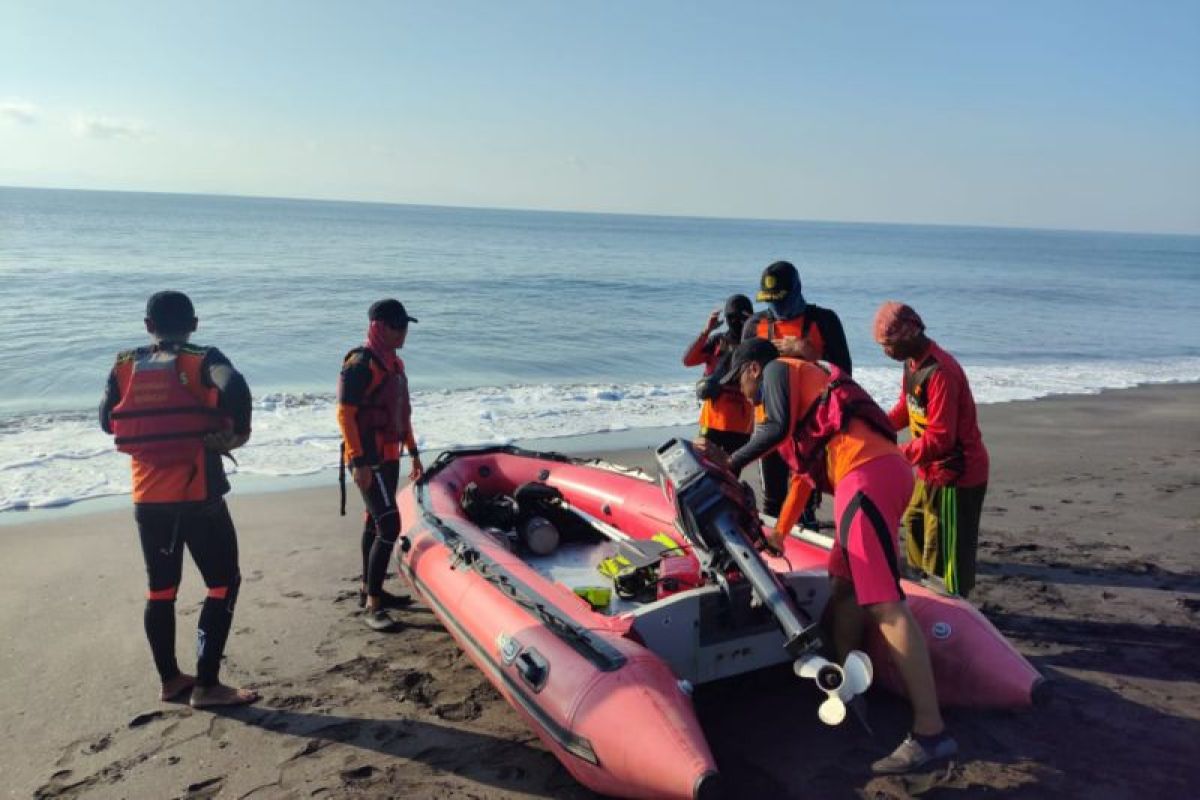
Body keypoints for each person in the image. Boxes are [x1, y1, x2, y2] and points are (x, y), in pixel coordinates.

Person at [701, 338, 958, 774]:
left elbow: (777, 427)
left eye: (738, 383)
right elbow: (803, 477)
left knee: (883, 604)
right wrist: (778, 534)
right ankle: (843, 683)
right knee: (843, 589)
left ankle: (930, 734)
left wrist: (731, 462)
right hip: (870, 477)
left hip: (866, 476)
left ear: (752, 370)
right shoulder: (808, 394)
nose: (742, 395)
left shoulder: (781, 368)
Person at [100, 291, 258, 708]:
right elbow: (236, 386)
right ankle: (207, 685)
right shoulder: (203, 357)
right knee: (223, 584)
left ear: (148, 325)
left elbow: (106, 420)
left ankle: (170, 680)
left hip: (148, 500)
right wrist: (239, 431)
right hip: (197, 496)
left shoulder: (124, 364)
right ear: (195, 323)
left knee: (161, 591)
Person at [874, 302, 989, 598]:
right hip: (927, 470)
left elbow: (941, 438)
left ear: (909, 334)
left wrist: (894, 456)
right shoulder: (912, 364)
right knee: (914, 527)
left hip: (956, 475)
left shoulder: (940, 372)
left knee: (946, 552)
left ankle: (954, 608)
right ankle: (922, 598)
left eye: (889, 345)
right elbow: (907, 407)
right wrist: (876, 427)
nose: (886, 352)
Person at [743, 260, 852, 525]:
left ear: (798, 290)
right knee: (773, 498)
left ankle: (806, 534)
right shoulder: (755, 325)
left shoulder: (823, 320)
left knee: (805, 500)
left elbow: (845, 377)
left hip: (810, 430)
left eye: (781, 300)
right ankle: (773, 549)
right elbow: (745, 384)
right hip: (769, 424)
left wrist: (810, 354)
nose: (776, 308)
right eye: (770, 302)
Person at [337, 299, 424, 632]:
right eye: (397, 326)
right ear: (378, 327)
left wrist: (413, 452)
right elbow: (345, 414)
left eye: (405, 326)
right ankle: (373, 605)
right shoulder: (360, 364)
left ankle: (370, 590)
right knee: (389, 525)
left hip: (390, 456)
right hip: (367, 459)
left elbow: (403, 414)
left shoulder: (394, 365)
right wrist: (358, 462)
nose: (404, 332)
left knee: (375, 523)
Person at [682, 294, 755, 460]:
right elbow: (688, 360)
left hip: (741, 426)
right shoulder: (717, 341)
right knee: (703, 468)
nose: (737, 321)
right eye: (732, 317)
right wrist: (706, 331)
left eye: (742, 317)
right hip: (712, 422)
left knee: (729, 475)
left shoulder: (754, 346)